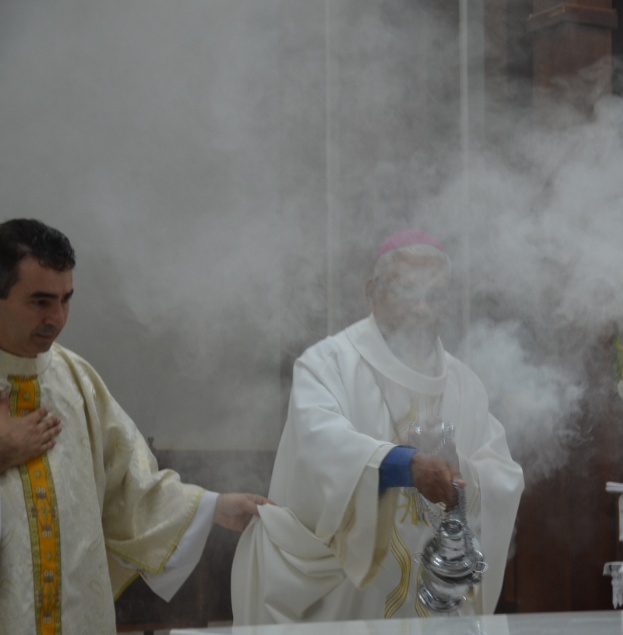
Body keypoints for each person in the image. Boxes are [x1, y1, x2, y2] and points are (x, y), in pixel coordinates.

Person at [231, 229, 524, 623]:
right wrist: (407, 465)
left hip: (434, 605)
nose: (422, 308)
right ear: (372, 293)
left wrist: (460, 469)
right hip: (343, 601)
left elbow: (502, 477)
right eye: (406, 292)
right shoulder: (329, 364)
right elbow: (321, 446)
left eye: (435, 296)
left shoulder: (465, 384)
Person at [0, 218, 270, 634]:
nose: (57, 317)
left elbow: (130, 486)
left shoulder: (76, 380)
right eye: (40, 301)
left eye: (65, 299)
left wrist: (213, 506)